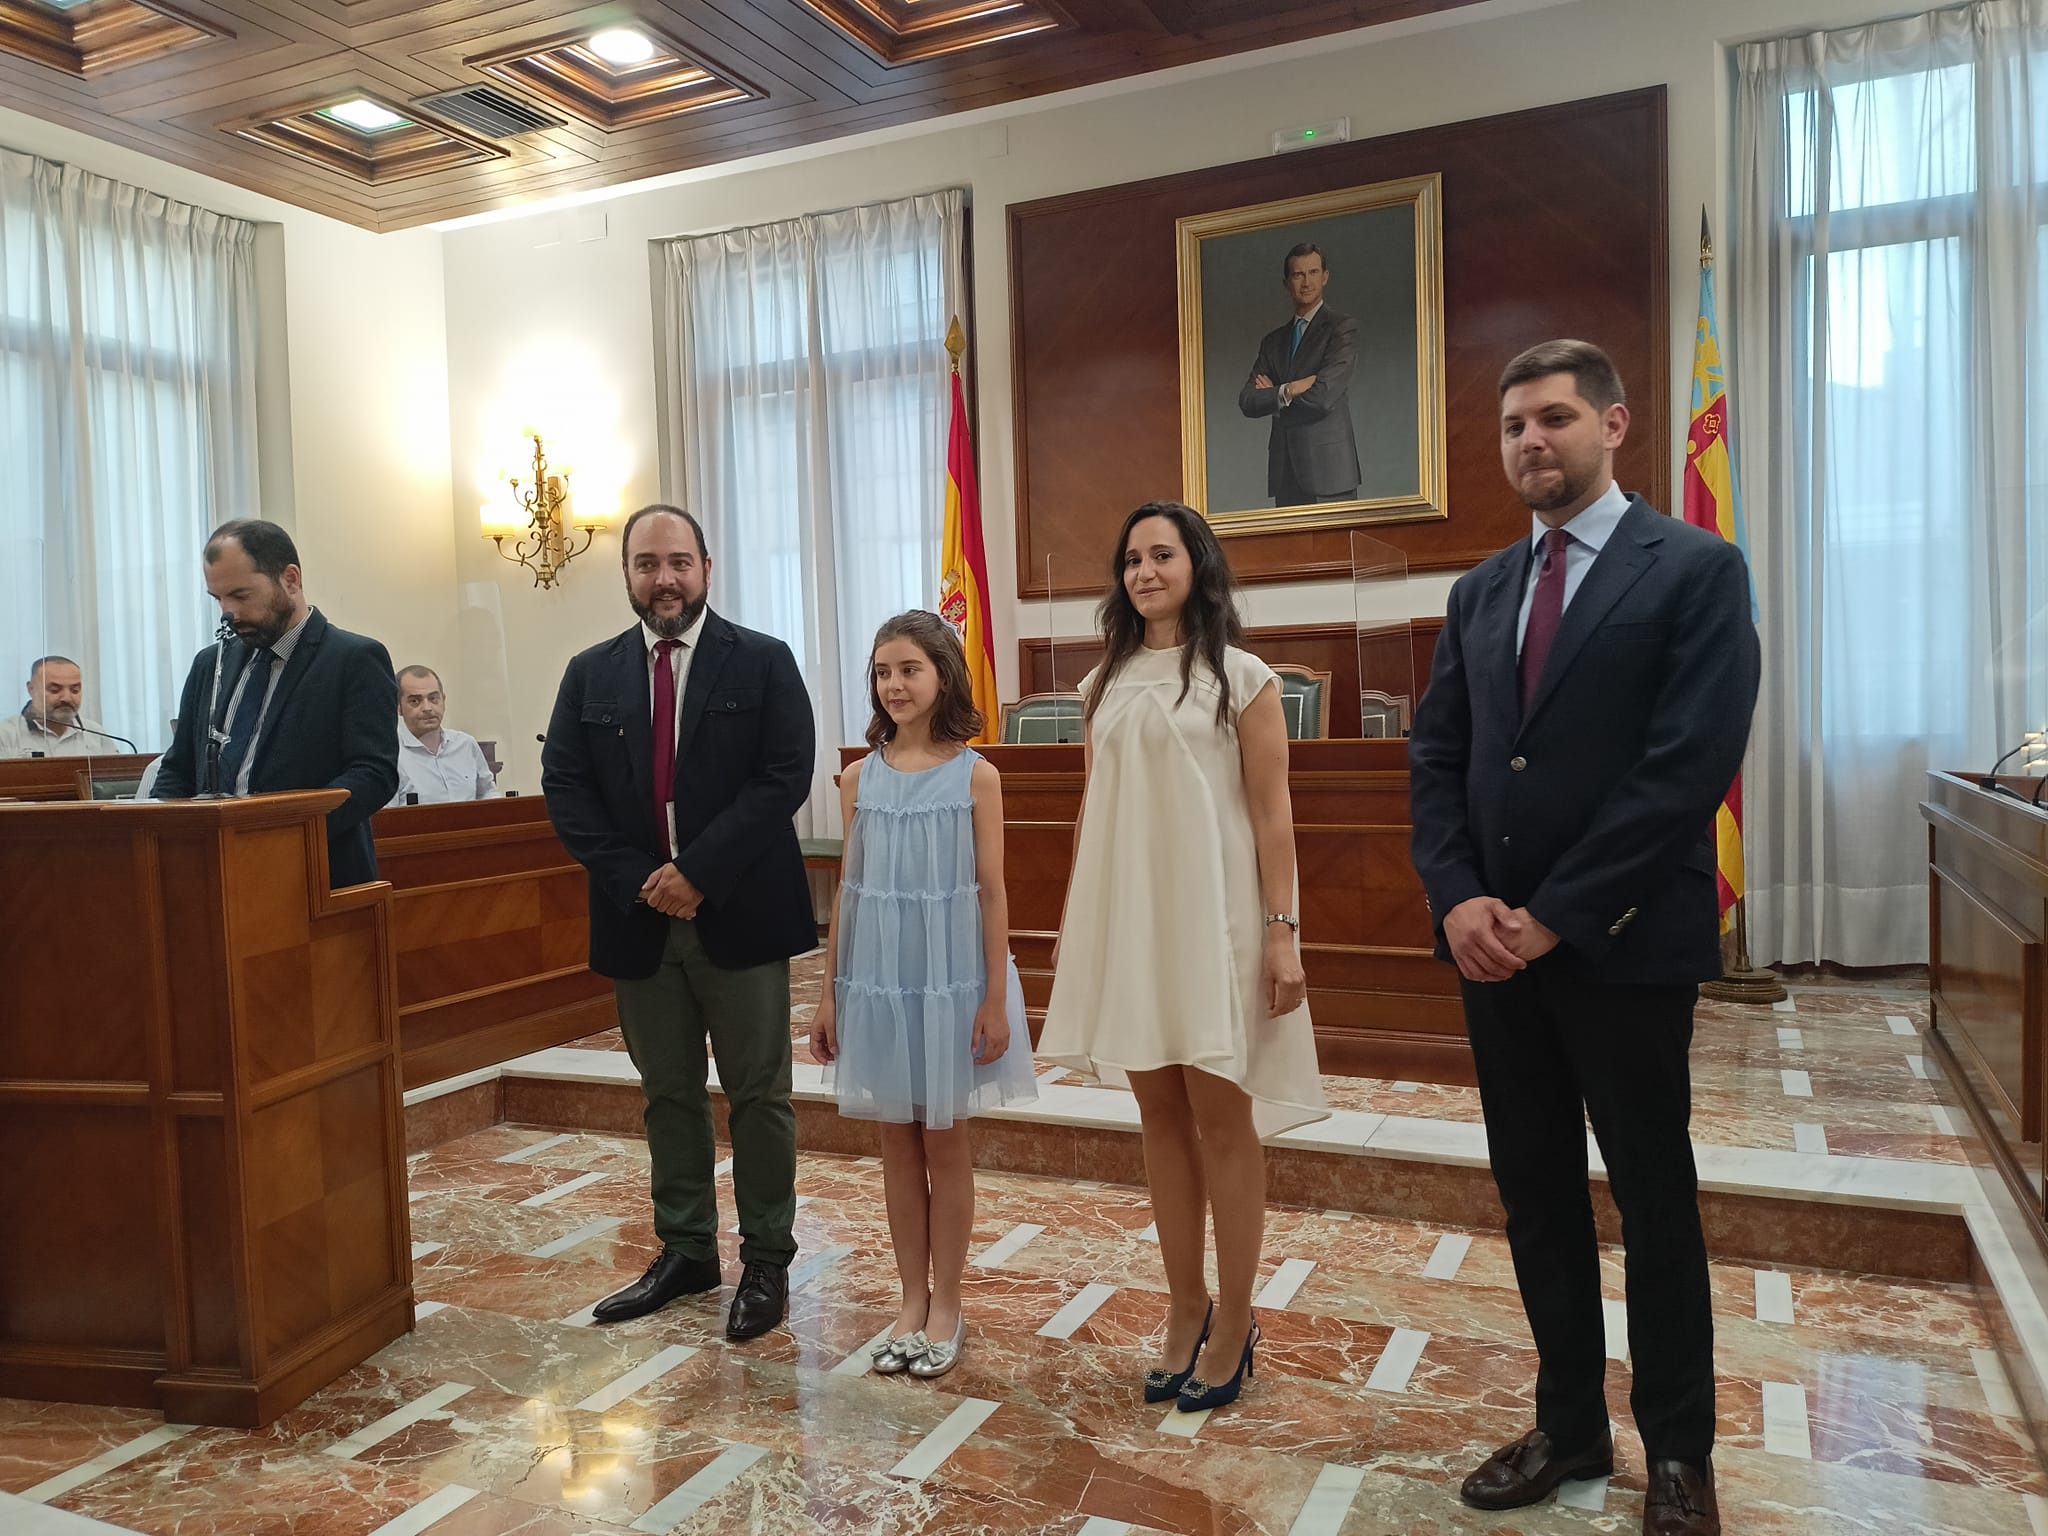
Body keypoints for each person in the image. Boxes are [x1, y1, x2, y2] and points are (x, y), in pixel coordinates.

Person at [1408, 340, 1760, 1536]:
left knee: (1652, 1199)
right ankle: (1567, 1426)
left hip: (1618, 948)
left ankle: (1677, 1454)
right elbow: (1441, 760)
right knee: (1536, 1195)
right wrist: (1457, 897)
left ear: (1613, 423)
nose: (1529, 443)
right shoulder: (1479, 591)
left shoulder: (1695, 570)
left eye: (1552, 418)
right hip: (1492, 956)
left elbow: (1685, 766)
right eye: (1512, 425)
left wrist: (1554, 916)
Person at [1040, 500, 1326, 1416]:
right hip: (1135, 920)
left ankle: (1238, 1318)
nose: (1145, 571)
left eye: (1162, 554)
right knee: (1157, 1114)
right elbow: (1098, 812)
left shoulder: (1242, 678)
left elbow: (1275, 814)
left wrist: (1283, 929)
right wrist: (1082, 925)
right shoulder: (1102, 685)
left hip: (1218, 921)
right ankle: (1184, 1305)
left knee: (1220, 1117)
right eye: (1131, 559)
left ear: (1198, 564)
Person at [541, 503, 816, 1341]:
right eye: (647, 564)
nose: (664, 579)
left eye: (679, 562)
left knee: (759, 1095)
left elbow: (784, 776)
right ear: (626, 574)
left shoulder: (763, 662)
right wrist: (647, 882)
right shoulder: (589, 674)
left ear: (706, 566)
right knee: (667, 1094)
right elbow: (567, 791)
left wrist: (699, 872)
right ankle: (687, 1250)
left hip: (739, 911)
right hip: (639, 922)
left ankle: (766, 1258)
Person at [808, 611, 1037, 1380]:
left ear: (943, 673)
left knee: (945, 1140)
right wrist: (830, 995)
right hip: (877, 975)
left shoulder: (976, 775)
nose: (895, 685)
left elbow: (995, 894)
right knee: (895, 1142)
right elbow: (850, 893)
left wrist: (996, 999)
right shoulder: (856, 777)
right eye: (882, 672)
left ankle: (949, 1304)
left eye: (909, 669)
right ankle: (910, 1299)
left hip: (952, 980)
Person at [152, 521, 399, 888]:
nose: (228, 613)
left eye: (240, 595)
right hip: (212, 876)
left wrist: (281, 833)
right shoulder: (210, 663)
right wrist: (160, 836)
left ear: (290, 579)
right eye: (217, 599)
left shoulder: (354, 659)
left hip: (315, 875)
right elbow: (179, 769)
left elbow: (373, 774)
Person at [1236, 243, 1361, 507]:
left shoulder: (1341, 329)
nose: (1306, 282)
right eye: (1298, 275)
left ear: (1325, 277)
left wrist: (1274, 398)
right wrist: (1288, 390)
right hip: (1285, 473)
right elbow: (1247, 400)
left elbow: (1323, 397)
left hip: (1330, 474)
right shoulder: (1273, 342)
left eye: (1313, 272)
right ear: (1286, 283)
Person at [389, 665, 499, 806]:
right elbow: (386, 817)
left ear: (444, 700)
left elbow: (487, 792)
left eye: (434, 698)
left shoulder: (466, 744)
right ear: (398, 707)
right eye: (415, 701)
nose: (427, 708)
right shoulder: (391, 754)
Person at [0, 656, 107, 758]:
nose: (67, 698)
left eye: (75, 690)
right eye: (55, 690)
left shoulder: (94, 732)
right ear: (31, 689)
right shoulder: (5, 734)